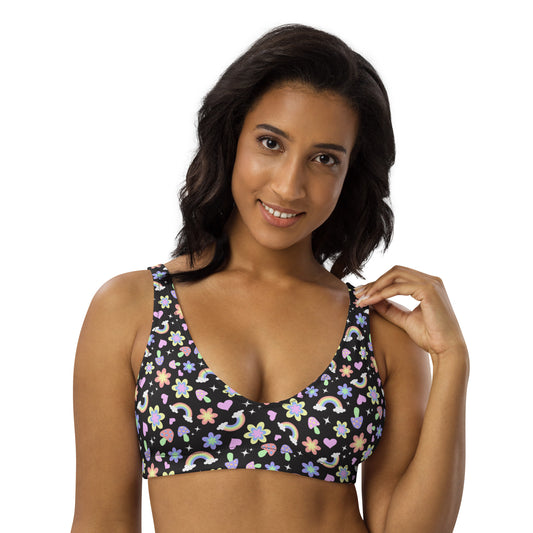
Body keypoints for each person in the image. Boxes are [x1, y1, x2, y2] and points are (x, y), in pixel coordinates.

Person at [71, 24, 469, 533]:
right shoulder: (132, 307)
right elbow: (101, 522)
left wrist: (452, 360)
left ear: (350, 173)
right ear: (231, 138)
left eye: (324, 159)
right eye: (270, 142)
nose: (288, 185)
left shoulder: (380, 330)